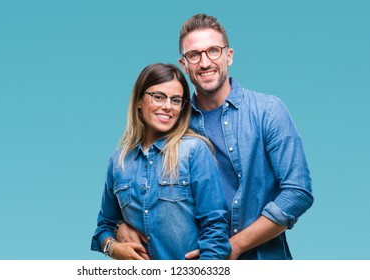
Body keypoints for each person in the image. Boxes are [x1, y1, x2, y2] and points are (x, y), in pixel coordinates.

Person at [117, 14, 314, 260]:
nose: (205, 62)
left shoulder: (268, 111)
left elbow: (298, 192)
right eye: (194, 55)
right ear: (184, 64)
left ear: (228, 56)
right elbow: (138, 186)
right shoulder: (172, 122)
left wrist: (233, 246)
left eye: (213, 51)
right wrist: (119, 227)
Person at [91, 63, 231, 260]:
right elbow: (104, 226)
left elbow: (215, 227)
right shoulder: (118, 162)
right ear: (139, 100)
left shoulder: (193, 151)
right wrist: (113, 248)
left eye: (176, 100)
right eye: (158, 97)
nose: (167, 106)